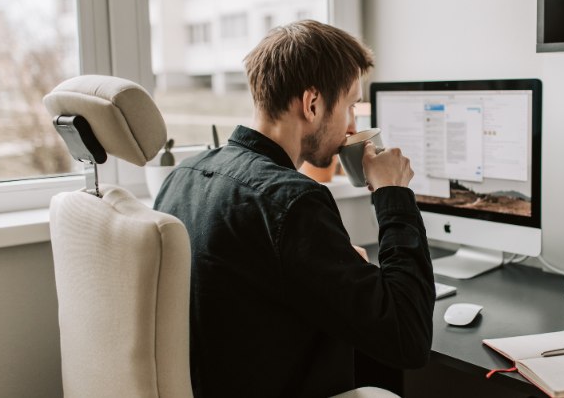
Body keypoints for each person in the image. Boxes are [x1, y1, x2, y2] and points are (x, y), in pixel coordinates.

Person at [154, 20, 435, 397]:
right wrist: (393, 193)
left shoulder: (183, 176)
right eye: (351, 106)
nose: (352, 127)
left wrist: (330, 261)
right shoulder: (294, 201)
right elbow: (409, 338)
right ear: (312, 104)